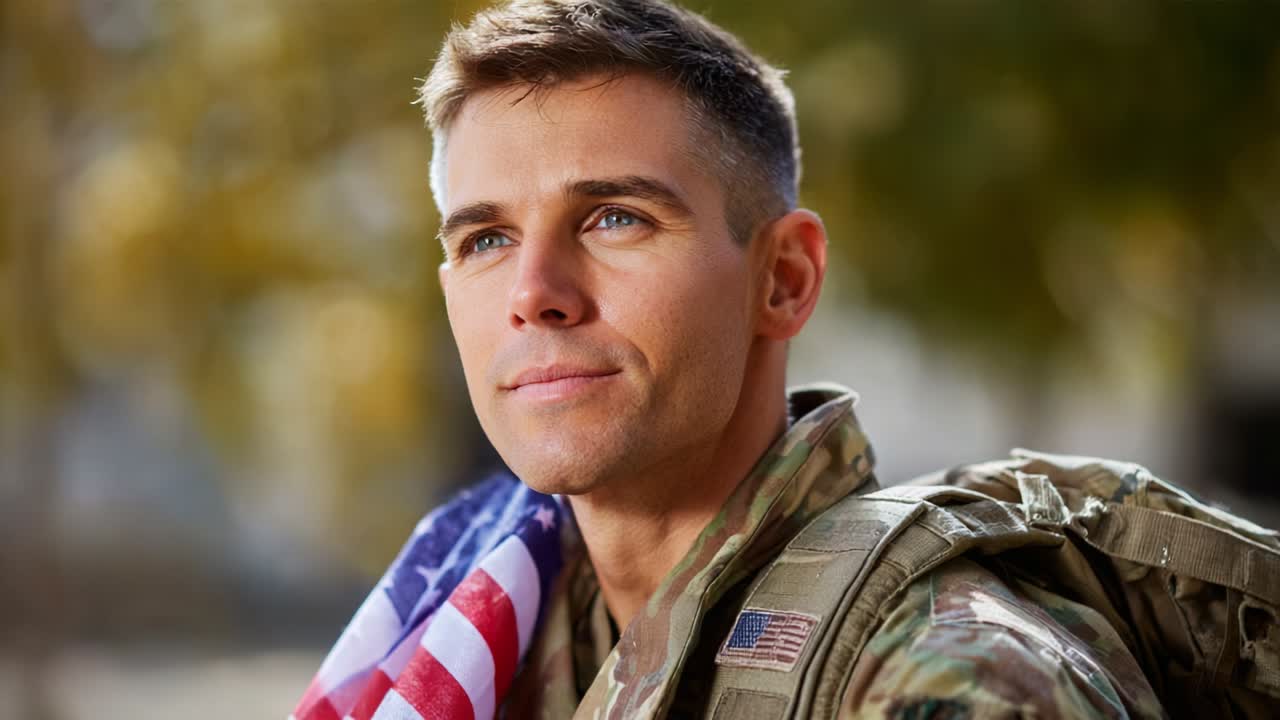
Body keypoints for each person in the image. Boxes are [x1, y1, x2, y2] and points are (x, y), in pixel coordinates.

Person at [294, 2, 1279, 719]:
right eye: (484, 239)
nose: (532, 290)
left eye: (614, 217)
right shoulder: (471, 642)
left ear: (783, 279)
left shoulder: (946, 674)